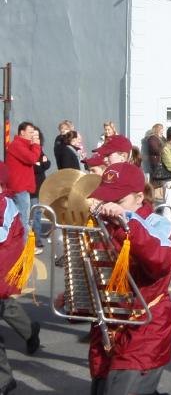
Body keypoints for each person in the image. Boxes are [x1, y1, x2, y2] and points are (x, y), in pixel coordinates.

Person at [87, 162, 171, 395]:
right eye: (105, 199)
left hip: (145, 327)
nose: (108, 207)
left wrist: (126, 222)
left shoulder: (157, 223)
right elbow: (99, 274)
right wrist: (74, 298)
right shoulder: (102, 225)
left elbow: (161, 261)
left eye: (117, 201)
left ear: (139, 198)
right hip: (109, 326)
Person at [0, 161, 41, 395]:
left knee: (4, 304)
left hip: (3, 265)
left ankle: (4, 379)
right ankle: (29, 331)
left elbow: (5, 234)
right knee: (5, 306)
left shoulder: (6, 204)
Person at [5, 122, 41, 237]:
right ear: (22, 132)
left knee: (20, 220)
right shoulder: (17, 145)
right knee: (23, 221)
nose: (32, 135)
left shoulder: (21, 145)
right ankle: (21, 250)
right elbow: (32, 158)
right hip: (19, 188)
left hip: (20, 187)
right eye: (30, 132)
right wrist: (36, 145)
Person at [30, 127, 50, 255]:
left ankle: (35, 239)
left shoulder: (40, 149)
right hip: (33, 187)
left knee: (37, 214)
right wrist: (40, 165)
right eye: (33, 136)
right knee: (34, 216)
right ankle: (35, 241)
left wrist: (41, 164)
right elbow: (34, 168)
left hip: (40, 186)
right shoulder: (29, 150)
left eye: (37, 136)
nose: (36, 139)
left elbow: (47, 164)